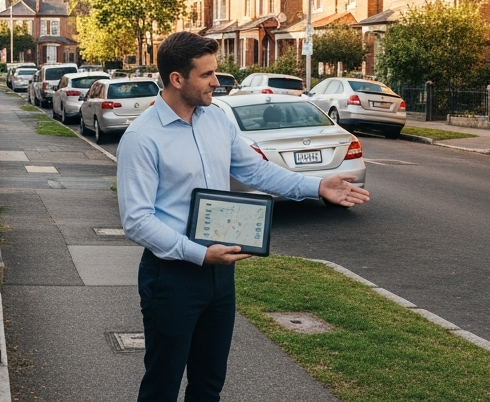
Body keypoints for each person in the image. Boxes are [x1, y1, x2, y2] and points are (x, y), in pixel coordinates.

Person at [117, 32, 369, 402]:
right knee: (162, 385)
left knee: (208, 384)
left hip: (221, 273)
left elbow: (257, 172)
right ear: (176, 79)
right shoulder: (142, 138)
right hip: (171, 277)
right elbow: (137, 220)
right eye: (206, 75)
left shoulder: (217, 120)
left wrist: (317, 187)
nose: (216, 82)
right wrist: (199, 254)